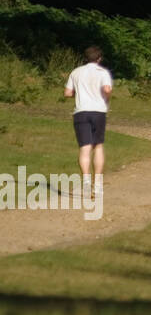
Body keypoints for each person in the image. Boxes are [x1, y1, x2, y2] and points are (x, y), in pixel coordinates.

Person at [64, 45, 113, 201]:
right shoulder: (103, 72)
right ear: (99, 58)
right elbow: (107, 89)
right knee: (98, 146)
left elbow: (67, 93)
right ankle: (97, 184)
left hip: (81, 112)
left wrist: (80, 92)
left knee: (84, 148)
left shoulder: (76, 72)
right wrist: (107, 98)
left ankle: (86, 180)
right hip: (98, 111)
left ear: (85, 58)